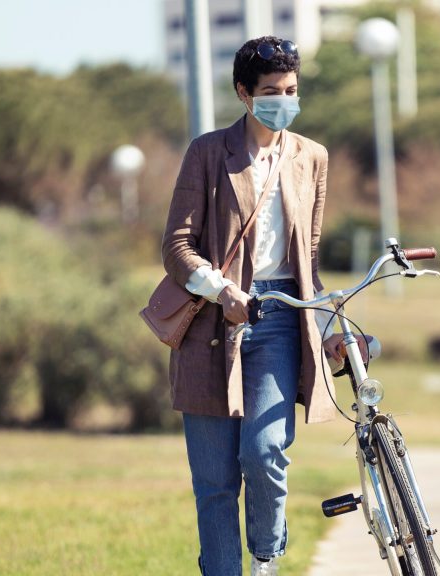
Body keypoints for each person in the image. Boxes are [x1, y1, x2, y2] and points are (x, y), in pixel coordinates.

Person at [161, 36, 353, 576]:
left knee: (264, 453)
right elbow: (176, 245)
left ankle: (266, 559)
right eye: (271, 91)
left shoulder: (311, 156)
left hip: (279, 318)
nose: (284, 101)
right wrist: (220, 288)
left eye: (292, 90)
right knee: (216, 484)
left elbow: (308, 258)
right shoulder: (207, 152)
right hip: (210, 321)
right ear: (245, 93)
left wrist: (329, 323)